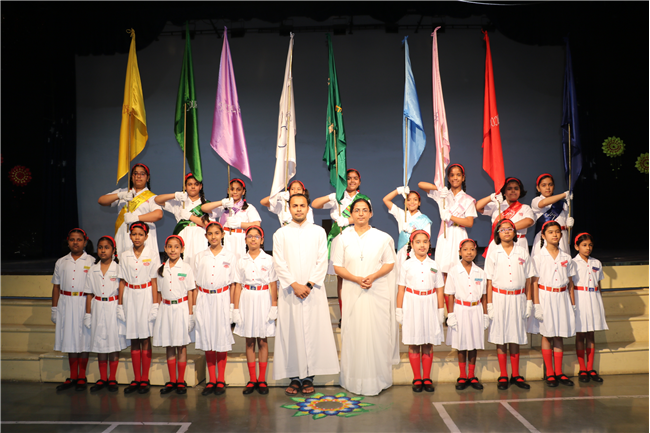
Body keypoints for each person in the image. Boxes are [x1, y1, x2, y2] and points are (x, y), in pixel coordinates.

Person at [272, 194, 339, 396]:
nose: (299, 209)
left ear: (308, 208)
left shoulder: (318, 232)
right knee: (291, 332)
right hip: (290, 291)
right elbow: (278, 262)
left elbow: (322, 260)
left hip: (313, 291)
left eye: (302, 205)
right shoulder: (280, 234)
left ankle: (309, 377)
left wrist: (308, 285)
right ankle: (294, 377)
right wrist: (295, 285)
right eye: (295, 206)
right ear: (289, 208)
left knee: (313, 332)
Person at [333, 198, 398, 396]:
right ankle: (354, 380)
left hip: (376, 290)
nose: (360, 214)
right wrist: (356, 279)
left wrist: (373, 276)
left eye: (364, 210)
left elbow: (389, 263)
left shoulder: (382, 238)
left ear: (371, 213)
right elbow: (338, 267)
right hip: (352, 290)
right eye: (357, 210)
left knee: (377, 333)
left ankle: (377, 379)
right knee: (354, 333)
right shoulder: (342, 238)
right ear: (351, 214)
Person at [312, 168, 368, 325]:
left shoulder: (364, 199)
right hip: (340, 238)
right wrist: (331, 197)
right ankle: (345, 315)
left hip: (358, 238)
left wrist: (348, 220)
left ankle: (359, 314)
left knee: (359, 274)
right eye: (348, 178)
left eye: (355, 178)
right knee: (342, 278)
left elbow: (366, 216)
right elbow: (315, 204)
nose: (351, 181)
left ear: (360, 181)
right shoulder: (338, 198)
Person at [485, 219, 535, 390]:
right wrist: (489, 305)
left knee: (515, 336)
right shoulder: (494, 253)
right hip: (499, 297)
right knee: (501, 337)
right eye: (502, 229)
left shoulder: (523, 252)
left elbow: (528, 279)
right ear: (497, 233)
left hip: (518, 298)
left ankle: (516, 374)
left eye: (509, 229)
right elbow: (489, 281)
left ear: (514, 232)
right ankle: (503, 374)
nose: (506, 232)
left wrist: (529, 301)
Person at [395, 230, 444, 393]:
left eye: (425, 241)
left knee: (428, 342)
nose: (422, 245)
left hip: (430, 303)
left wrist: (440, 310)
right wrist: (399, 310)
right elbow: (401, 289)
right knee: (414, 342)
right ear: (412, 244)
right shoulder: (406, 265)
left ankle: (427, 377)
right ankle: (417, 377)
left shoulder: (434, 265)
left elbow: (439, 290)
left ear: (429, 244)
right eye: (418, 242)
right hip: (412, 303)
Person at [529, 221, 577, 387]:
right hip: (545, 296)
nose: (554, 235)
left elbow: (570, 283)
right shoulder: (538, 257)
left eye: (557, 232)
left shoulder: (566, 258)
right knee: (547, 334)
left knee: (559, 334)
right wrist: (536, 305)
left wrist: (573, 304)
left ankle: (559, 372)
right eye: (550, 232)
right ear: (543, 235)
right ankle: (549, 372)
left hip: (562, 296)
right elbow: (534, 282)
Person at [232, 226, 278, 396]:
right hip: (247, 298)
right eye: (250, 236)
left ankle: (262, 379)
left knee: (263, 340)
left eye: (256, 236)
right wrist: (235, 309)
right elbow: (237, 285)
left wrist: (274, 305)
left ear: (262, 240)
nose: (253, 239)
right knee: (249, 340)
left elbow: (273, 284)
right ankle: (252, 379)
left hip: (263, 298)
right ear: (245, 240)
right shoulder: (241, 261)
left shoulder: (269, 260)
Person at [192, 221, 236, 395]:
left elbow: (234, 284)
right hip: (204, 298)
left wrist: (232, 307)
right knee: (207, 337)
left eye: (217, 233)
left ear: (222, 235)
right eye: (210, 233)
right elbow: (194, 283)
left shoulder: (230, 256)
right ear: (206, 236)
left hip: (222, 297)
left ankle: (221, 380)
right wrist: (194, 306)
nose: (213, 236)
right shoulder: (199, 256)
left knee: (221, 337)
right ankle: (211, 380)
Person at [117, 222, 160, 394]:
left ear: (146, 236)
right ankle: (136, 378)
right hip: (130, 295)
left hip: (146, 295)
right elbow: (121, 281)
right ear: (130, 236)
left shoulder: (152, 254)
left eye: (140, 234)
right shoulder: (124, 255)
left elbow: (155, 281)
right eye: (134, 234)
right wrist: (120, 304)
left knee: (145, 337)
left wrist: (155, 304)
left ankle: (145, 378)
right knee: (134, 338)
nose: (137, 237)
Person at [83, 236, 128, 393]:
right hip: (97, 306)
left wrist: (121, 306)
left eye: (106, 247)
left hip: (112, 306)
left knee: (113, 343)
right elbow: (89, 293)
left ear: (113, 250)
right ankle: (102, 378)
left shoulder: (118, 268)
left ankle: (112, 378)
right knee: (100, 344)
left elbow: (122, 288)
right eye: (100, 247)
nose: (103, 250)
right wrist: (88, 314)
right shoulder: (93, 270)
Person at [51, 228, 94, 391]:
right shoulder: (61, 262)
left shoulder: (92, 261)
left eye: (79, 239)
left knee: (83, 339)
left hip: (84, 302)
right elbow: (56, 286)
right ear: (68, 242)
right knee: (70, 338)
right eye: (72, 239)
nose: (75, 242)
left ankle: (82, 375)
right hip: (66, 302)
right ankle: (72, 375)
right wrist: (54, 308)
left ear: (85, 242)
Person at [153, 235, 196, 395]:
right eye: (170, 247)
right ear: (165, 249)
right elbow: (159, 292)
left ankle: (180, 381)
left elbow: (191, 292)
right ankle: (172, 380)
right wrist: (157, 308)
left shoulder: (186, 268)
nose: (173, 250)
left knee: (181, 345)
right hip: (166, 308)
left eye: (176, 247)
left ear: (182, 249)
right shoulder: (161, 269)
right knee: (169, 344)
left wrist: (191, 314)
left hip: (181, 308)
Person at [445, 239, 489, 391]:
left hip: (476, 309)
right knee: (462, 343)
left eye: (472, 249)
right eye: (465, 249)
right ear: (460, 252)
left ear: (476, 251)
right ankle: (462, 375)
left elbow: (484, 296)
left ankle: (472, 375)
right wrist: (451, 314)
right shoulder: (453, 271)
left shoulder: (480, 272)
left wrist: (485, 314)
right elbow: (450, 294)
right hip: (460, 309)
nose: (469, 252)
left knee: (474, 344)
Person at [418, 163, 476, 275]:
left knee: (459, 269)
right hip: (445, 234)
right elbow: (421, 185)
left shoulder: (468, 200)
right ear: (448, 178)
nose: (455, 178)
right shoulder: (443, 195)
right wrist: (439, 188)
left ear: (463, 178)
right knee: (442, 268)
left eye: (458, 175)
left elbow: (469, 223)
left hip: (459, 233)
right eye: (452, 175)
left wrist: (450, 217)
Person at [98, 163, 163, 255]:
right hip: (124, 234)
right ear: (132, 177)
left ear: (147, 178)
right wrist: (120, 195)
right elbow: (101, 201)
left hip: (143, 237)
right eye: (135, 173)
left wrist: (136, 218)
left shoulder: (152, 197)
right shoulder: (123, 192)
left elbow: (158, 214)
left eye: (142, 174)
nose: (138, 176)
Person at [572, 233, 608, 383]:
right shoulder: (573, 263)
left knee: (591, 334)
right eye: (584, 245)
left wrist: (599, 301)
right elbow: (570, 284)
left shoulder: (596, 262)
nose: (588, 248)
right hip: (580, 298)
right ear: (577, 246)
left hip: (593, 297)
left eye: (590, 245)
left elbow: (598, 284)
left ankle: (590, 368)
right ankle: (582, 368)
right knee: (580, 334)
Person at [154, 173, 210, 264]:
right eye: (190, 184)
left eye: (196, 184)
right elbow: (157, 200)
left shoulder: (207, 204)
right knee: (183, 264)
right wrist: (175, 195)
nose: (193, 187)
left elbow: (209, 224)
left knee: (200, 263)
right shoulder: (179, 203)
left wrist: (189, 216)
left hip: (200, 237)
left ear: (200, 186)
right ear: (185, 186)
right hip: (183, 236)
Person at [201, 178, 261, 259]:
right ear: (228, 191)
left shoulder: (249, 208)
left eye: (238, 189)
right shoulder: (223, 207)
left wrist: (239, 224)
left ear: (243, 192)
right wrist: (222, 202)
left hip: (240, 238)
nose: (235, 192)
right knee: (225, 261)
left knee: (240, 261)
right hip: (225, 238)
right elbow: (204, 208)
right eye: (232, 189)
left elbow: (257, 224)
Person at [476, 177, 534, 258]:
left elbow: (529, 221)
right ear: (504, 192)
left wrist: (505, 229)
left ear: (520, 191)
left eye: (516, 188)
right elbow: (477, 207)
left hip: (518, 242)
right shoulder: (497, 205)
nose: (513, 191)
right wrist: (491, 197)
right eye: (509, 188)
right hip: (499, 242)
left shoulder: (525, 207)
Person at [382, 186, 431, 267]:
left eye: (415, 199)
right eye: (408, 199)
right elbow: (386, 200)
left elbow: (426, 238)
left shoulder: (424, 219)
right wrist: (398, 191)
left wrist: (412, 231)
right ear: (404, 202)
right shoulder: (401, 214)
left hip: (417, 251)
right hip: (402, 251)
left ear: (419, 203)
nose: (412, 202)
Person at [531, 173, 573, 258]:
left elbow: (566, 225)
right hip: (543, 238)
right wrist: (564, 195)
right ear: (538, 188)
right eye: (544, 185)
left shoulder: (562, 204)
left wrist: (569, 225)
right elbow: (544, 203)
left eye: (550, 184)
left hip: (561, 238)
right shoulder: (536, 200)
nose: (547, 187)